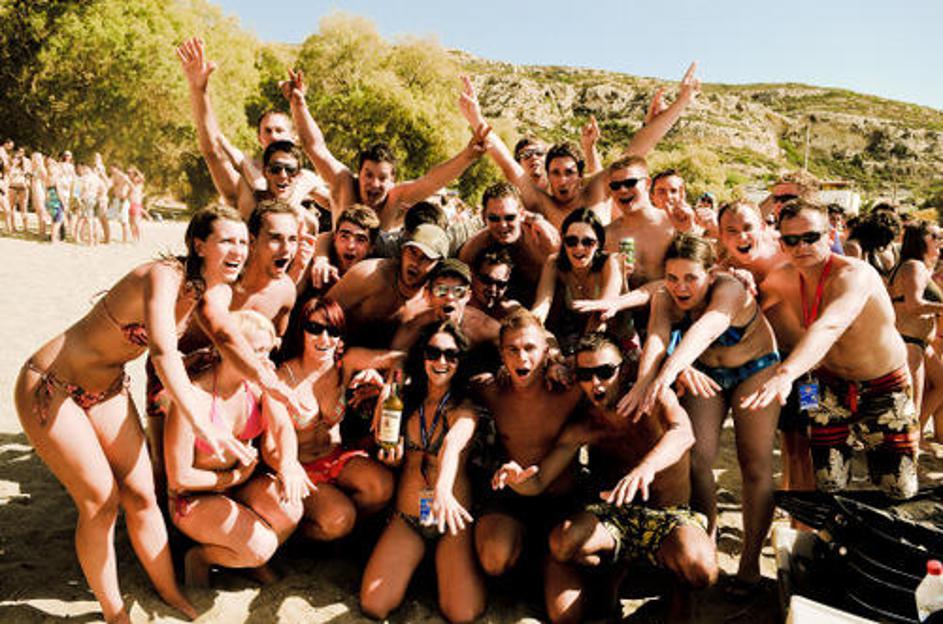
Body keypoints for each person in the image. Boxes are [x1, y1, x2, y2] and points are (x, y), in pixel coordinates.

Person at [12, 206, 283, 623]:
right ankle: (115, 613)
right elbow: (162, 352)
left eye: (243, 242)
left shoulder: (210, 292)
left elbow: (227, 336)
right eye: (227, 240)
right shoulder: (163, 276)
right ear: (199, 245)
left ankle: (170, 593)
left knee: (142, 495)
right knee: (101, 501)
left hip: (107, 389)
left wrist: (271, 383)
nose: (239, 250)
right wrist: (198, 417)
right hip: (51, 384)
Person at [494, 333, 717, 622]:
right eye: (585, 375)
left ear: (623, 371)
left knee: (702, 570)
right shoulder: (586, 424)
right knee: (563, 543)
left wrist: (644, 469)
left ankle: (674, 592)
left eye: (605, 371)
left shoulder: (653, 397)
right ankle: (610, 580)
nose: (595, 383)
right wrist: (517, 479)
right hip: (615, 516)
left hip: (668, 514)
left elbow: (683, 433)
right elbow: (538, 482)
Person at [623, 233, 780, 593]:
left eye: (690, 278)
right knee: (697, 459)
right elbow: (657, 338)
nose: (680, 287)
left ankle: (750, 563)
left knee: (754, 463)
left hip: (755, 369)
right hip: (707, 372)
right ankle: (706, 542)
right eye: (672, 277)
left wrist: (667, 375)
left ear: (711, 273)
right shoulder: (664, 296)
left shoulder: (729, 289)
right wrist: (642, 384)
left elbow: (706, 331)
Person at [744, 198, 919, 500]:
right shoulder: (782, 279)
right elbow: (751, 301)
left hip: (884, 384)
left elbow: (830, 325)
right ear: (782, 244)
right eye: (792, 240)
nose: (802, 246)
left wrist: (785, 374)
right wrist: (738, 278)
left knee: (898, 485)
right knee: (827, 480)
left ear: (831, 236)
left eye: (811, 237)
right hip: (822, 382)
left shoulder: (855, 275)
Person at [458, 63, 701, 230]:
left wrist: (682, 101)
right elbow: (507, 163)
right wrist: (476, 119)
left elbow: (636, 151)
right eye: (555, 173)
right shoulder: (543, 204)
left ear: (580, 175)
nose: (562, 180)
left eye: (569, 172)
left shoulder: (596, 190)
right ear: (548, 175)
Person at [164, 310, 307, 587]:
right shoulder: (193, 398)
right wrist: (234, 477)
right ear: (228, 350)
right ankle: (201, 557)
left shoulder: (257, 385)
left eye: (268, 351)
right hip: (194, 498)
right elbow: (179, 477)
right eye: (258, 351)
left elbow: (282, 427)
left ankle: (246, 559)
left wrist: (289, 463)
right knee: (262, 545)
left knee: (291, 509)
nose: (266, 361)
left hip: (239, 485)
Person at [360, 321, 485, 622]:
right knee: (374, 605)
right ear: (423, 356)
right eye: (433, 352)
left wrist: (443, 489)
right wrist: (392, 460)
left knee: (463, 614)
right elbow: (394, 453)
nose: (441, 361)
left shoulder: (464, 409)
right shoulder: (406, 401)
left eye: (451, 355)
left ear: (460, 361)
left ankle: (445, 569)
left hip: (450, 523)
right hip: (409, 519)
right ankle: (421, 568)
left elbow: (452, 446)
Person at [284, 68, 488, 231]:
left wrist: (468, 156)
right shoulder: (343, 184)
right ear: (358, 174)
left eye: (382, 178)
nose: (374, 184)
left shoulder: (395, 199)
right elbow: (315, 148)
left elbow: (432, 181)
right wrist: (298, 104)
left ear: (392, 181)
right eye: (368, 175)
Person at [473, 310, 583, 589]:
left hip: (560, 501)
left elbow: (612, 369)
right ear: (501, 354)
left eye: (530, 348)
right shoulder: (491, 391)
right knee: (494, 559)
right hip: (511, 497)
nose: (521, 358)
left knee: (565, 609)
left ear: (545, 351)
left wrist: (561, 363)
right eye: (512, 350)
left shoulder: (570, 389)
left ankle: (546, 563)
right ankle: (527, 560)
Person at [272, 297, 397, 541]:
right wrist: (286, 467)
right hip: (300, 468)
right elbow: (273, 437)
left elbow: (400, 358)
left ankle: (339, 532)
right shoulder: (283, 377)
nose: (324, 338)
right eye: (315, 328)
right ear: (301, 331)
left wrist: (386, 388)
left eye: (333, 331)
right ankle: (296, 539)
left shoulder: (346, 364)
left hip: (336, 458)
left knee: (381, 488)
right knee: (338, 518)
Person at [717, 200, 813, 491]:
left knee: (807, 440)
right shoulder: (726, 268)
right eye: (731, 230)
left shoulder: (788, 256)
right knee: (788, 438)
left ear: (763, 227)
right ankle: (789, 497)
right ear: (721, 235)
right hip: (769, 365)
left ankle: (805, 511)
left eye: (748, 227)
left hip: (809, 367)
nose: (742, 236)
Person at [327, 223, 451, 348]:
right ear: (402, 251)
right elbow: (321, 313)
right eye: (412, 252)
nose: (415, 262)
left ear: (437, 265)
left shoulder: (434, 303)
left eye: (426, 258)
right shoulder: (370, 275)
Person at [532, 208, 621, 354]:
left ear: (599, 244)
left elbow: (602, 314)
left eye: (588, 242)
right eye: (571, 241)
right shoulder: (554, 262)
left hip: (613, 337)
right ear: (563, 241)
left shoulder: (611, 262)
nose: (579, 248)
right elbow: (542, 305)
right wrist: (532, 328)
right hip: (574, 338)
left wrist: (580, 354)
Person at [458, 182, 559, 306]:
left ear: (521, 214)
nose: (503, 225)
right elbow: (464, 293)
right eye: (494, 218)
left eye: (510, 217)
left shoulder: (543, 239)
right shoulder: (473, 249)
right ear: (484, 217)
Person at [887, 221, 943, 441]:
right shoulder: (913, 266)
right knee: (910, 405)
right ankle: (910, 445)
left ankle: (916, 436)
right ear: (922, 240)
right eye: (936, 237)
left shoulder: (912, 266)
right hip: (909, 342)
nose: (940, 241)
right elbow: (914, 305)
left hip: (917, 342)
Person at [604, 157, 677, 288]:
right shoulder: (607, 235)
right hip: (623, 300)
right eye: (615, 186)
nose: (622, 190)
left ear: (647, 184)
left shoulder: (672, 224)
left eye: (630, 183)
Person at [308, 204, 381, 291]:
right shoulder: (313, 265)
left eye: (360, 240)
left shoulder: (375, 279)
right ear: (334, 239)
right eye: (344, 236)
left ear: (371, 248)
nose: (350, 246)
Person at [468, 247, 523, 321]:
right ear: (472, 276)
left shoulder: (508, 310)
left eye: (501, 284)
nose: (493, 289)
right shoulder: (458, 304)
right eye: (487, 281)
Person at [651, 169, 701, 235]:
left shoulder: (698, 230)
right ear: (652, 197)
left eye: (673, 191)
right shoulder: (642, 229)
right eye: (661, 192)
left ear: (682, 195)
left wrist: (688, 230)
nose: (668, 197)